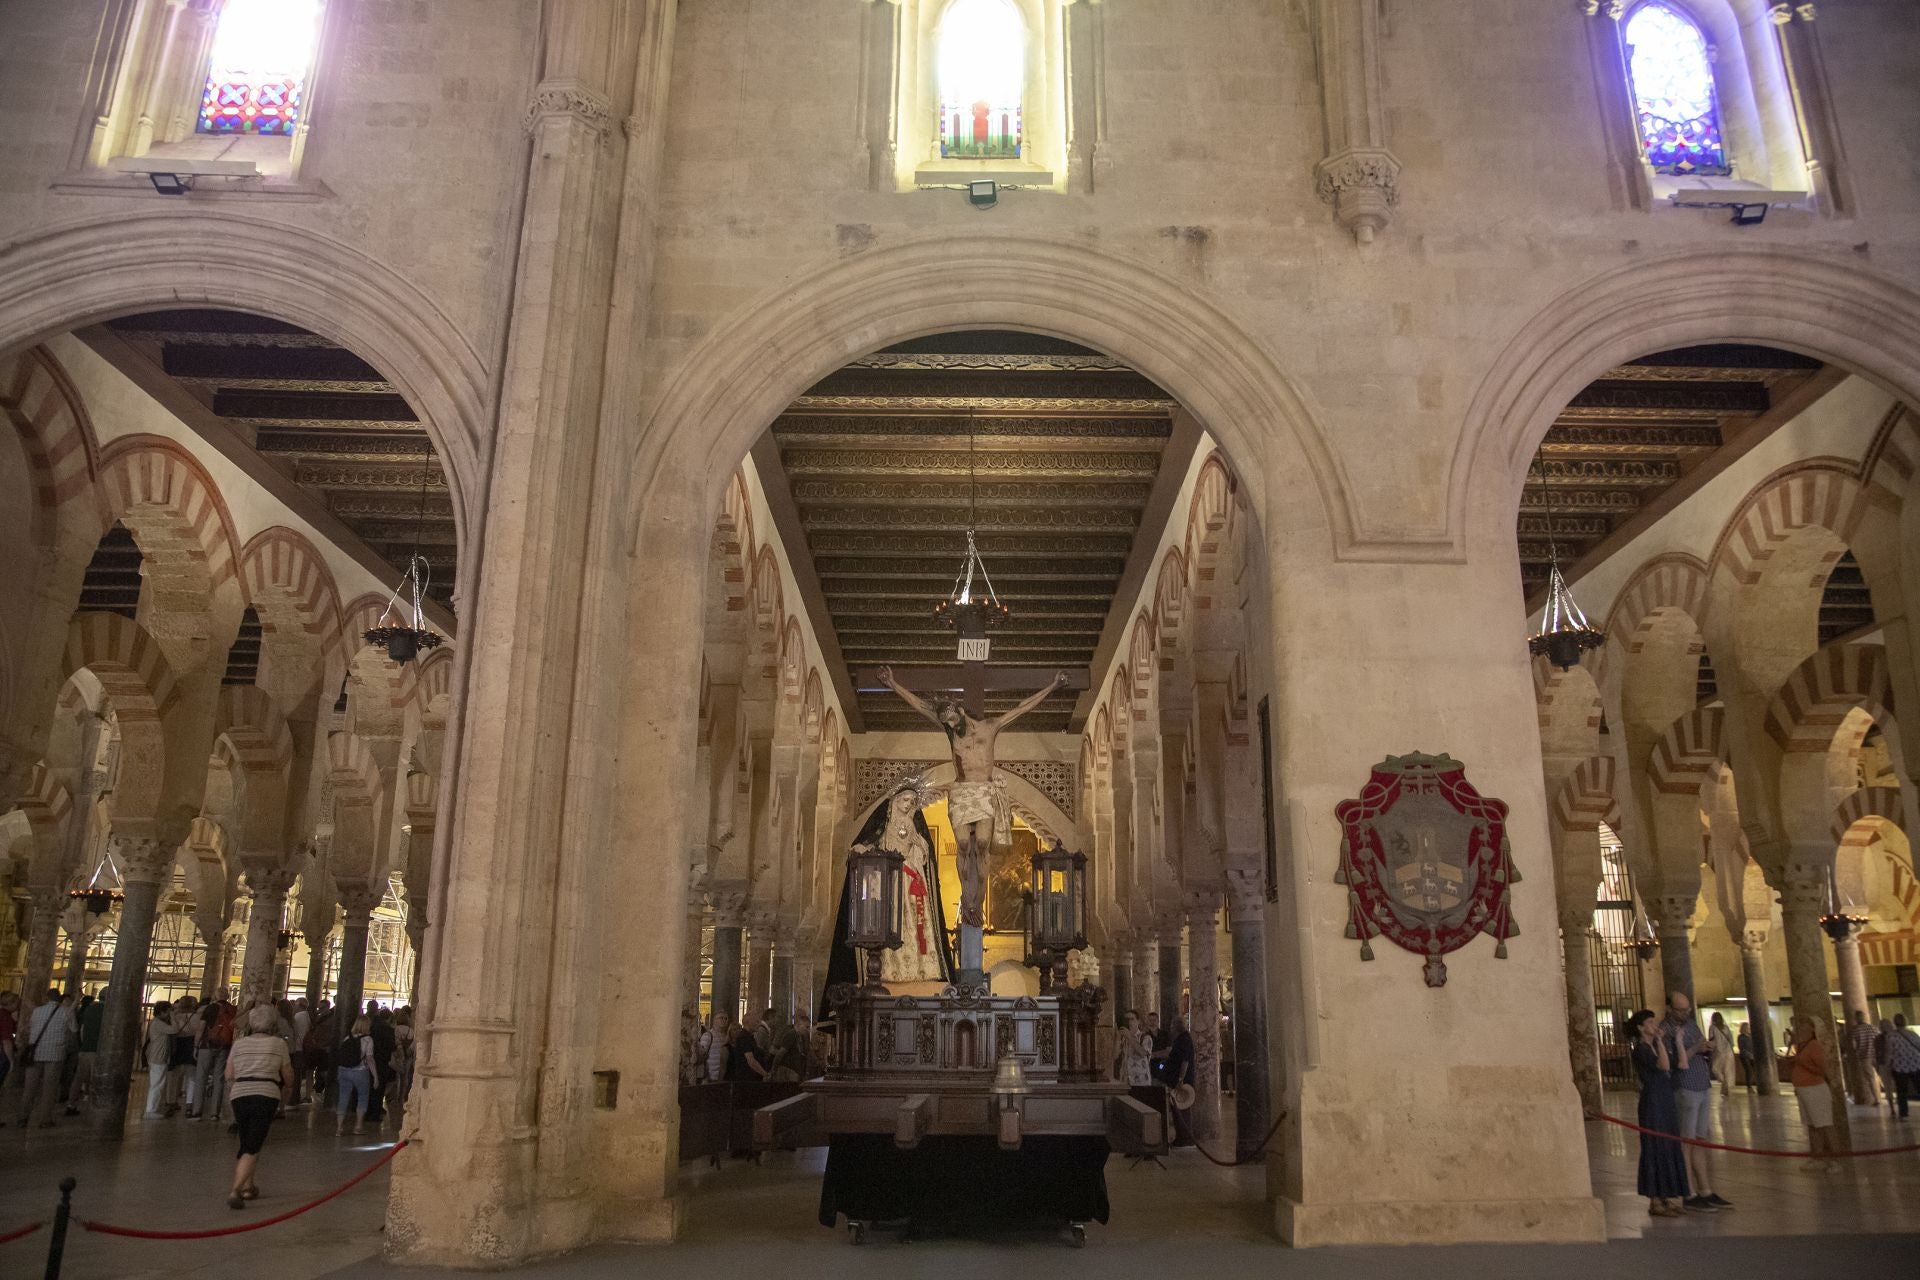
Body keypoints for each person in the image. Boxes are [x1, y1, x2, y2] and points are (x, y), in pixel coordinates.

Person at [223, 1003, 295, 1210]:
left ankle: (248, 1186)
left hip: (240, 1094)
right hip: (265, 1094)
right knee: (253, 1143)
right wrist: (287, 1091)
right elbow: (287, 1074)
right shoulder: (278, 1044)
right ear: (272, 1024)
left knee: (248, 1139)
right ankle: (236, 1189)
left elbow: (229, 1074)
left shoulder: (239, 1044)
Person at [1661, 991, 1728, 1211]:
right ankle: (1687, 1191)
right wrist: (1695, 1049)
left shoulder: (1691, 1024)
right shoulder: (1666, 1029)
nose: (1686, 1013)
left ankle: (1705, 1189)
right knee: (1686, 1142)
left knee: (1700, 1140)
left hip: (1702, 1083)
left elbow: (1699, 1047)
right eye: (1681, 1009)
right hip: (1684, 1087)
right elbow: (1671, 1062)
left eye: (1688, 1009)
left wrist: (1707, 1049)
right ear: (1670, 1008)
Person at [1627, 1009, 1689, 1217]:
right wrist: (1661, 1042)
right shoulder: (1641, 1050)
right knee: (1656, 1146)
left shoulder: (1654, 1046)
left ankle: (1669, 1195)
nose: (1655, 1025)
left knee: (1669, 1145)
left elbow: (1681, 1064)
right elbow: (1662, 1066)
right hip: (1653, 1100)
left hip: (1666, 1098)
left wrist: (1678, 1041)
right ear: (1641, 1027)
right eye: (1651, 1022)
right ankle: (1655, 1199)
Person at [12, 988, 76, 1128]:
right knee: (50, 1088)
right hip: (55, 1053)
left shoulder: (37, 1011)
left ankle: (23, 1117)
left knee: (30, 1087)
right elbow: (74, 1030)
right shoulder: (66, 1012)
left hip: (36, 1052)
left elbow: (31, 1027)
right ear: (59, 999)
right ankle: (45, 1119)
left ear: (47, 998)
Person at [1786, 1014, 1838, 1169]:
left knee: (1825, 1125)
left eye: (1802, 1027)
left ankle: (1835, 1160)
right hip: (1804, 1089)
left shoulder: (1814, 1045)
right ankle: (1817, 1158)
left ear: (1811, 1030)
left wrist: (1800, 1063)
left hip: (1815, 1089)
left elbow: (1822, 1070)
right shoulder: (1803, 1046)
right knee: (1812, 1126)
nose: (1798, 1030)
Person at [198, 988, 236, 1123]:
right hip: (224, 1046)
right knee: (219, 1079)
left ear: (215, 995)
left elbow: (201, 1027)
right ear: (227, 996)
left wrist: (196, 1045)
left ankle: (197, 1111)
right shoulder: (232, 1009)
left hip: (207, 1045)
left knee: (201, 1076)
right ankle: (214, 1112)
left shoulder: (210, 1008)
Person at [334, 1015, 376, 1136]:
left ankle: (339, 1128)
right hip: (360, 1071)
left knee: (343, 1097)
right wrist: (375, 1076)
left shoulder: (347, 1038)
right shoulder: (368, 1040)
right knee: (362, 1096)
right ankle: (358, 1126)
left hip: (343, 1070)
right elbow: (369, 1058)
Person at [1159, 1015, 1197, 1147]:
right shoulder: (1180, 1039)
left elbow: (1185, 1061)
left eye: (1172, 1025)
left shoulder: (1184, 1039)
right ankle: (1181, 1137)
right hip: (1175, 1079)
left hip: (1181, 1081)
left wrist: (1180, 1079)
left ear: (1177, 1026)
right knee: (1177, 1110)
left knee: (1182, 1109)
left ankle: (1185, 1138)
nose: (1170, 1027)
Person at [64, 990, 103, 1115]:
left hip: (85, 1048)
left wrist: (82, 1044)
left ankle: (71, 1103)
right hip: (97, 1050)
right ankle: (96, 1105)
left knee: (79, 1078)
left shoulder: (89, 1009)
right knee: (96, 1079)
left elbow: (82, 1029)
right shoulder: (107, 1010)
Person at [142, 998, 178, 1118]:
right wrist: (173, 1016)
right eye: (167, 1012)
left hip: (157, 1055)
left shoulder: (157, 1023)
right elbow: (175, 1029)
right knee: (156, 1084)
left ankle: (153, 1108)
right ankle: (150, 1110)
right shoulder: (158, 1023)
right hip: (158, 1056)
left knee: (158, 1083)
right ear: (162, 1012)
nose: (168, 1014)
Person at [366, 1003, 396, 1126]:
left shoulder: (372, 1026)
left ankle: (368, 1111)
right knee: (379, 1087)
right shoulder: (387, 1029)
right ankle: (374, 1113)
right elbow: (391, 1046)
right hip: (382, 1061)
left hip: (371, 1059)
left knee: (371, 1086)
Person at [1844, 1009, 1881, 1107]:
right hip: (1876, 1056)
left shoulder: (1855, 1030)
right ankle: (1882, 1094)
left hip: (1864, 1057)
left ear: (1856, 1018)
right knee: (1878, 1076)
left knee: (1870, 1078)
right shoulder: (1873, 1028)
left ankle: (1876, 1099)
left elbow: (1853, 1045)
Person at [1887, 1012, 1920, 1120]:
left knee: (1901, 1091)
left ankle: (1903, 1114)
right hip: (1915, 1064)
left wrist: (1888, 1065)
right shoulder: (1912, 1034)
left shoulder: (1891, 1036)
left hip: (1899, 1067)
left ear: (1894, 1023)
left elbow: (1889, 1053)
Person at [1119, 1009, 1153, 1087]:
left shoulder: (1145, 1037)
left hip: (1141, 1082)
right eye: (1127, 1020)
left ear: (1138, 1021)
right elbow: (1115, 1056)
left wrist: (1129, 1037)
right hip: (1126, 1082)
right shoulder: (1123, 1038)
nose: (1129, 1022)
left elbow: (1143, 1053)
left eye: (1132, 1019)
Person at [1708, 1011, 1734, 1098]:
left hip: (1719, 1051)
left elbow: (1711, 1039)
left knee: (1715, 1068)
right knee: (1727, 1071)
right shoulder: (1726, 1027)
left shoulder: (1712, 1028)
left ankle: (1724, 1085)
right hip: (1728, 1051)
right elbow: (1731, 1039)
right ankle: (1726, 1088)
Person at [701, 1010, 731, 1084]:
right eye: (721, 1018)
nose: (724, 1020)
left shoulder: (727, 1037)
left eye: (726, 1018)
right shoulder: (708, 1036)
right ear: (714, 1020)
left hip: (724, 1077)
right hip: (711, 1078)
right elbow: (702, 1056)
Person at [0, 991, 19, 1093]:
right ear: (11, 1003)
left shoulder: (3, 1014)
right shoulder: (5, 1017)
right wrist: (11, 1060)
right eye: (16, 1003)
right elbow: (6, 1041)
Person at [1736, 1022, 1755, 1092]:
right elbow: (1741, 1047)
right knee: (1749, 1070)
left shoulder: (1750, 1036)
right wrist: (1749, 1055)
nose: (1748, 1028)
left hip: (1752, 1056)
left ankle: (1752, 1084)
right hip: (1745, 1056)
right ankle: (1749, 1086)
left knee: (1752, 1071)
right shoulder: (1741, 1037)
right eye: (1747, 1027)